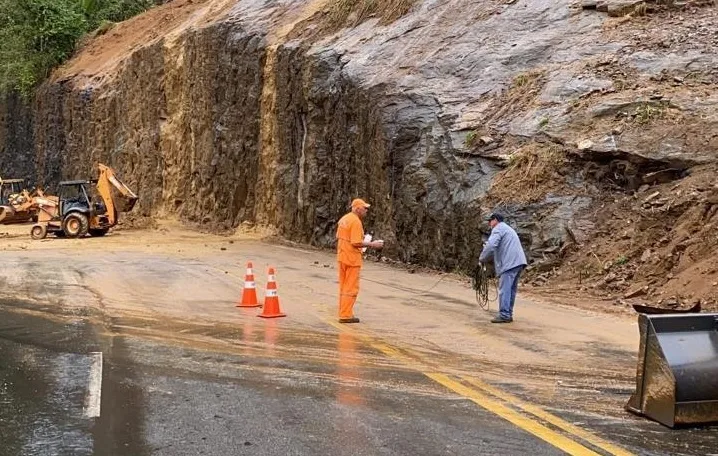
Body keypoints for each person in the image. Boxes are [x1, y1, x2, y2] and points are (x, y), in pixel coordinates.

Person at [336, 198, 384, 323]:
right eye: (364, 208)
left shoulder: (344, 219)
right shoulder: (355, 222)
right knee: (351, 288)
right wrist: (373, 244)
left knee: (343, 286)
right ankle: (345, 315)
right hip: (352, 259)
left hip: (342, 256)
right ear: (357, 209)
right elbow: (356, 242)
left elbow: (341, 237)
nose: (366, 211)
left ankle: (343, 311)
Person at [479, 213, 527, 323]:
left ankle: (504, 314)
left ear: (495, 220)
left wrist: (482, 259)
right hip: (518, 262)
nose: (489, 224)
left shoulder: (498, 229)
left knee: (505, 289)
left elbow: (491, 246)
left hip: (509, 263)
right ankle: (508, 313)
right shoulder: (507, 229)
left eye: (490, 221)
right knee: (511, 289)